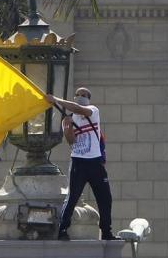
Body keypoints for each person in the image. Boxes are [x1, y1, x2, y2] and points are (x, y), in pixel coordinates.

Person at [46, 87, 119, 241]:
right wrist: (67, 129)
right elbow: (71, 141)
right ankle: (63, 230)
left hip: (95, 163)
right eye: (77, 95)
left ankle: (106, 232)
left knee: (105, 198)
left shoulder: (93, 111)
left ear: (88, 99)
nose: (80, 97)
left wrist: (56, 100)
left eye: (84, 95)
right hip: (78, 162)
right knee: (72, 197)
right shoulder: (70, 117)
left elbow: (78, 108)